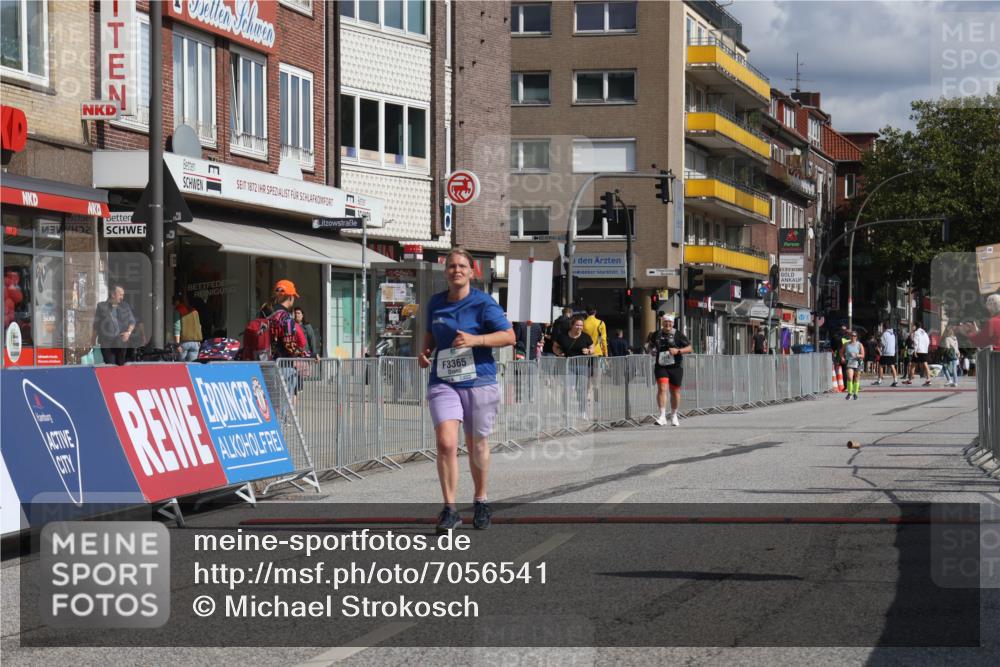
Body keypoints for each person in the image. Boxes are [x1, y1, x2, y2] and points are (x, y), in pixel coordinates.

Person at [418, 248, 514, 534]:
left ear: (472, 272)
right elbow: (429, 337)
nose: (456, 270)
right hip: (443, 380)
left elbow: (509, 336)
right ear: (445, 271)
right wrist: (423, 354)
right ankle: (450, 509)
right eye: (451, 266)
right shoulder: (436, 302)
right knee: (446, 443)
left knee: (477, 445)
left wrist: (476, 339)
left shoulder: (484, 303)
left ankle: (481, 500)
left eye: (462, 266)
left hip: (479, 381)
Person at [646, 313, 692, 426]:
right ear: (662, 323)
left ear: (673, 323)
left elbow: (690, 348)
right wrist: (650, 350)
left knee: (675, 391)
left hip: (675, 366)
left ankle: (674, 415)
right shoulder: (656, 334)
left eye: (670, 322)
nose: (668, 324)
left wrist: (678, 351)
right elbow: (649, 345)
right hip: (661, 366)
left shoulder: (678, 335)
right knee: (662, 388)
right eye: (666, 322)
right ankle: (662, 416)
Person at [268, 280, 309, 401]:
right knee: (282, 404)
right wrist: (307, 354)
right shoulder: (286, 318)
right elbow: (290, 346)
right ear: (290, 297)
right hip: (283, 366)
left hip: (264, 363)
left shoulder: (265, 311)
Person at [554, 314, 595, 418]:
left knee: (581, 390)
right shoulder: (563, 336)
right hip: (568, 366)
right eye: (577, 325)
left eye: (581, 326)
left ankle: (582, 412)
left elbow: (592, 348)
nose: (579, 328)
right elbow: (555, 347)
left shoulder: (585, 337)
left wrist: (589, 351)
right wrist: (558, 353)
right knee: (568, 389)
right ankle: (565, 411)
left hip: (582, 366)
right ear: (572, 325)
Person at [92, 284, 136, 366]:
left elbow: (132, 321)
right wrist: (93, 340)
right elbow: (96, 325)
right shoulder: (101, 306)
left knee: (121, 366)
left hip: (121, 342)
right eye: (120, 295)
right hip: (106, 343)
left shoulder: (125, 306)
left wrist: (128, 333)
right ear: (113, 294)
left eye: (123, 295)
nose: (122, 297)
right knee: (110, 366)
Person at [172, 293, 203, 362]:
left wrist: (177, 344)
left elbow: (177, 327)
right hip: (196, 343)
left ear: (177, 301)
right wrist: (198, 341)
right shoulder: (194, 311)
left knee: (181, 367)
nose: (172, 304)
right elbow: (199, 326)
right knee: (192, 367)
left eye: (173, 302)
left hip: (184, 342)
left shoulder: (178, 310)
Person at [841, 331, 865, 400]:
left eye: (854, 336)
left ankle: (855, 393)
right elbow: (841, 352)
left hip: (858, 362)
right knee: (849, 377)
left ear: (856, 337)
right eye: (852, 336)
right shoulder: (846, 344)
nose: (853, 337)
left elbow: (863, 355)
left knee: (856, 378)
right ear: (849, 336)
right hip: (850, 362)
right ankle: (849, 393)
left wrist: (857, 355)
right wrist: (842, 357)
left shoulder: (859, 344)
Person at [874, 322, 898, 387]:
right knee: (892, 366)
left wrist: (878, 346)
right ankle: (895, 380)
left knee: (881, 365)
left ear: (884, 327)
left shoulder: (884, 334)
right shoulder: (893, 334)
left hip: (886, 352)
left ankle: (879, 380)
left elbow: (883, 343)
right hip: (892, 352)